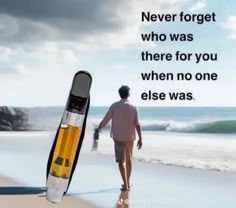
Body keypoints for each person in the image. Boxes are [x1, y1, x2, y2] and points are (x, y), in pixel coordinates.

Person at [97, 85, 142, 191]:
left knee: (121, 161)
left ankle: (125, 184)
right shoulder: (134, 107)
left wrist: (99, 128)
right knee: (129, 159)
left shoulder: (114, 106)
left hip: (117, 137)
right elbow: (137, 124)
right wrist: (140, 138)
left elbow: (106, 120)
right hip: (130, 137)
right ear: (128, 94)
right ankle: (128, 182)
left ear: (120, 94)